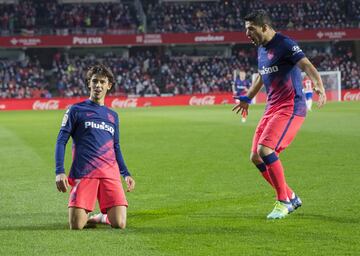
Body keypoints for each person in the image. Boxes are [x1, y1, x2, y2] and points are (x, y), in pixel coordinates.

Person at [232, 10, 326, 219]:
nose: (247, 34)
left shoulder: (285, 44)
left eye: (251, 29)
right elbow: (261, 75)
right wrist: (248, 98)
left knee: (266, 149)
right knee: (255, 156)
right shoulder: (262, 48)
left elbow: (307, 65)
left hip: (291, 107)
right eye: (246, 29)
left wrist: (319, 85)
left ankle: (283, 201)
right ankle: (291, 195)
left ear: (264, 27)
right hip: (272, 107)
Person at [55, 63, 135, 229]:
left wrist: (125, 173)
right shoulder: (75, 110)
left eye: (102, 82)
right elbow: (61, 140)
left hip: (109, 171)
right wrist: (59, 171)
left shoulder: (113, 116)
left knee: (120, 223)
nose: (98, 85)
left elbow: (116, 147)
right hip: (84, 172)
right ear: (89, 83)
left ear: (109, 85)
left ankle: (101, 217)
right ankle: (87, 215)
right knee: (76, 225)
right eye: (95, 81)